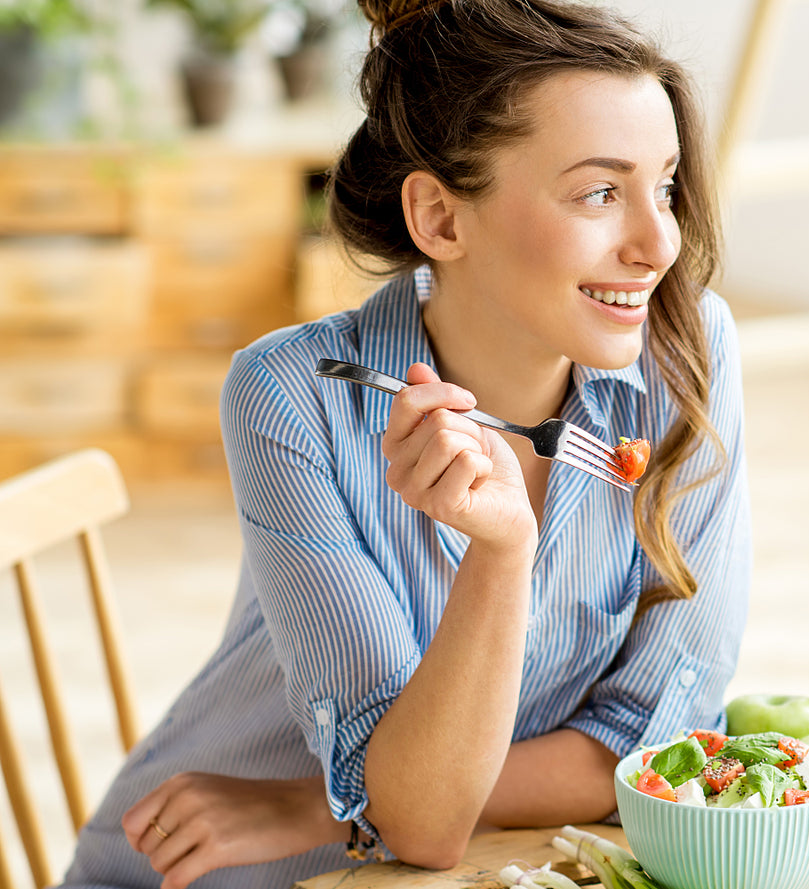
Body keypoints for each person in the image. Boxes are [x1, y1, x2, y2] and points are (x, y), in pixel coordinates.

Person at [59, 1, 749, 886]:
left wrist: (327, 803)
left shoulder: (688, 354)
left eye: (663, 186)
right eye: (599, 193)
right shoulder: (294, 398)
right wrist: (501, 552)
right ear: (441, 218)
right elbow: (422, 821)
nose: (659, 243)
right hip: (207, 870)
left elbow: (660, 743)